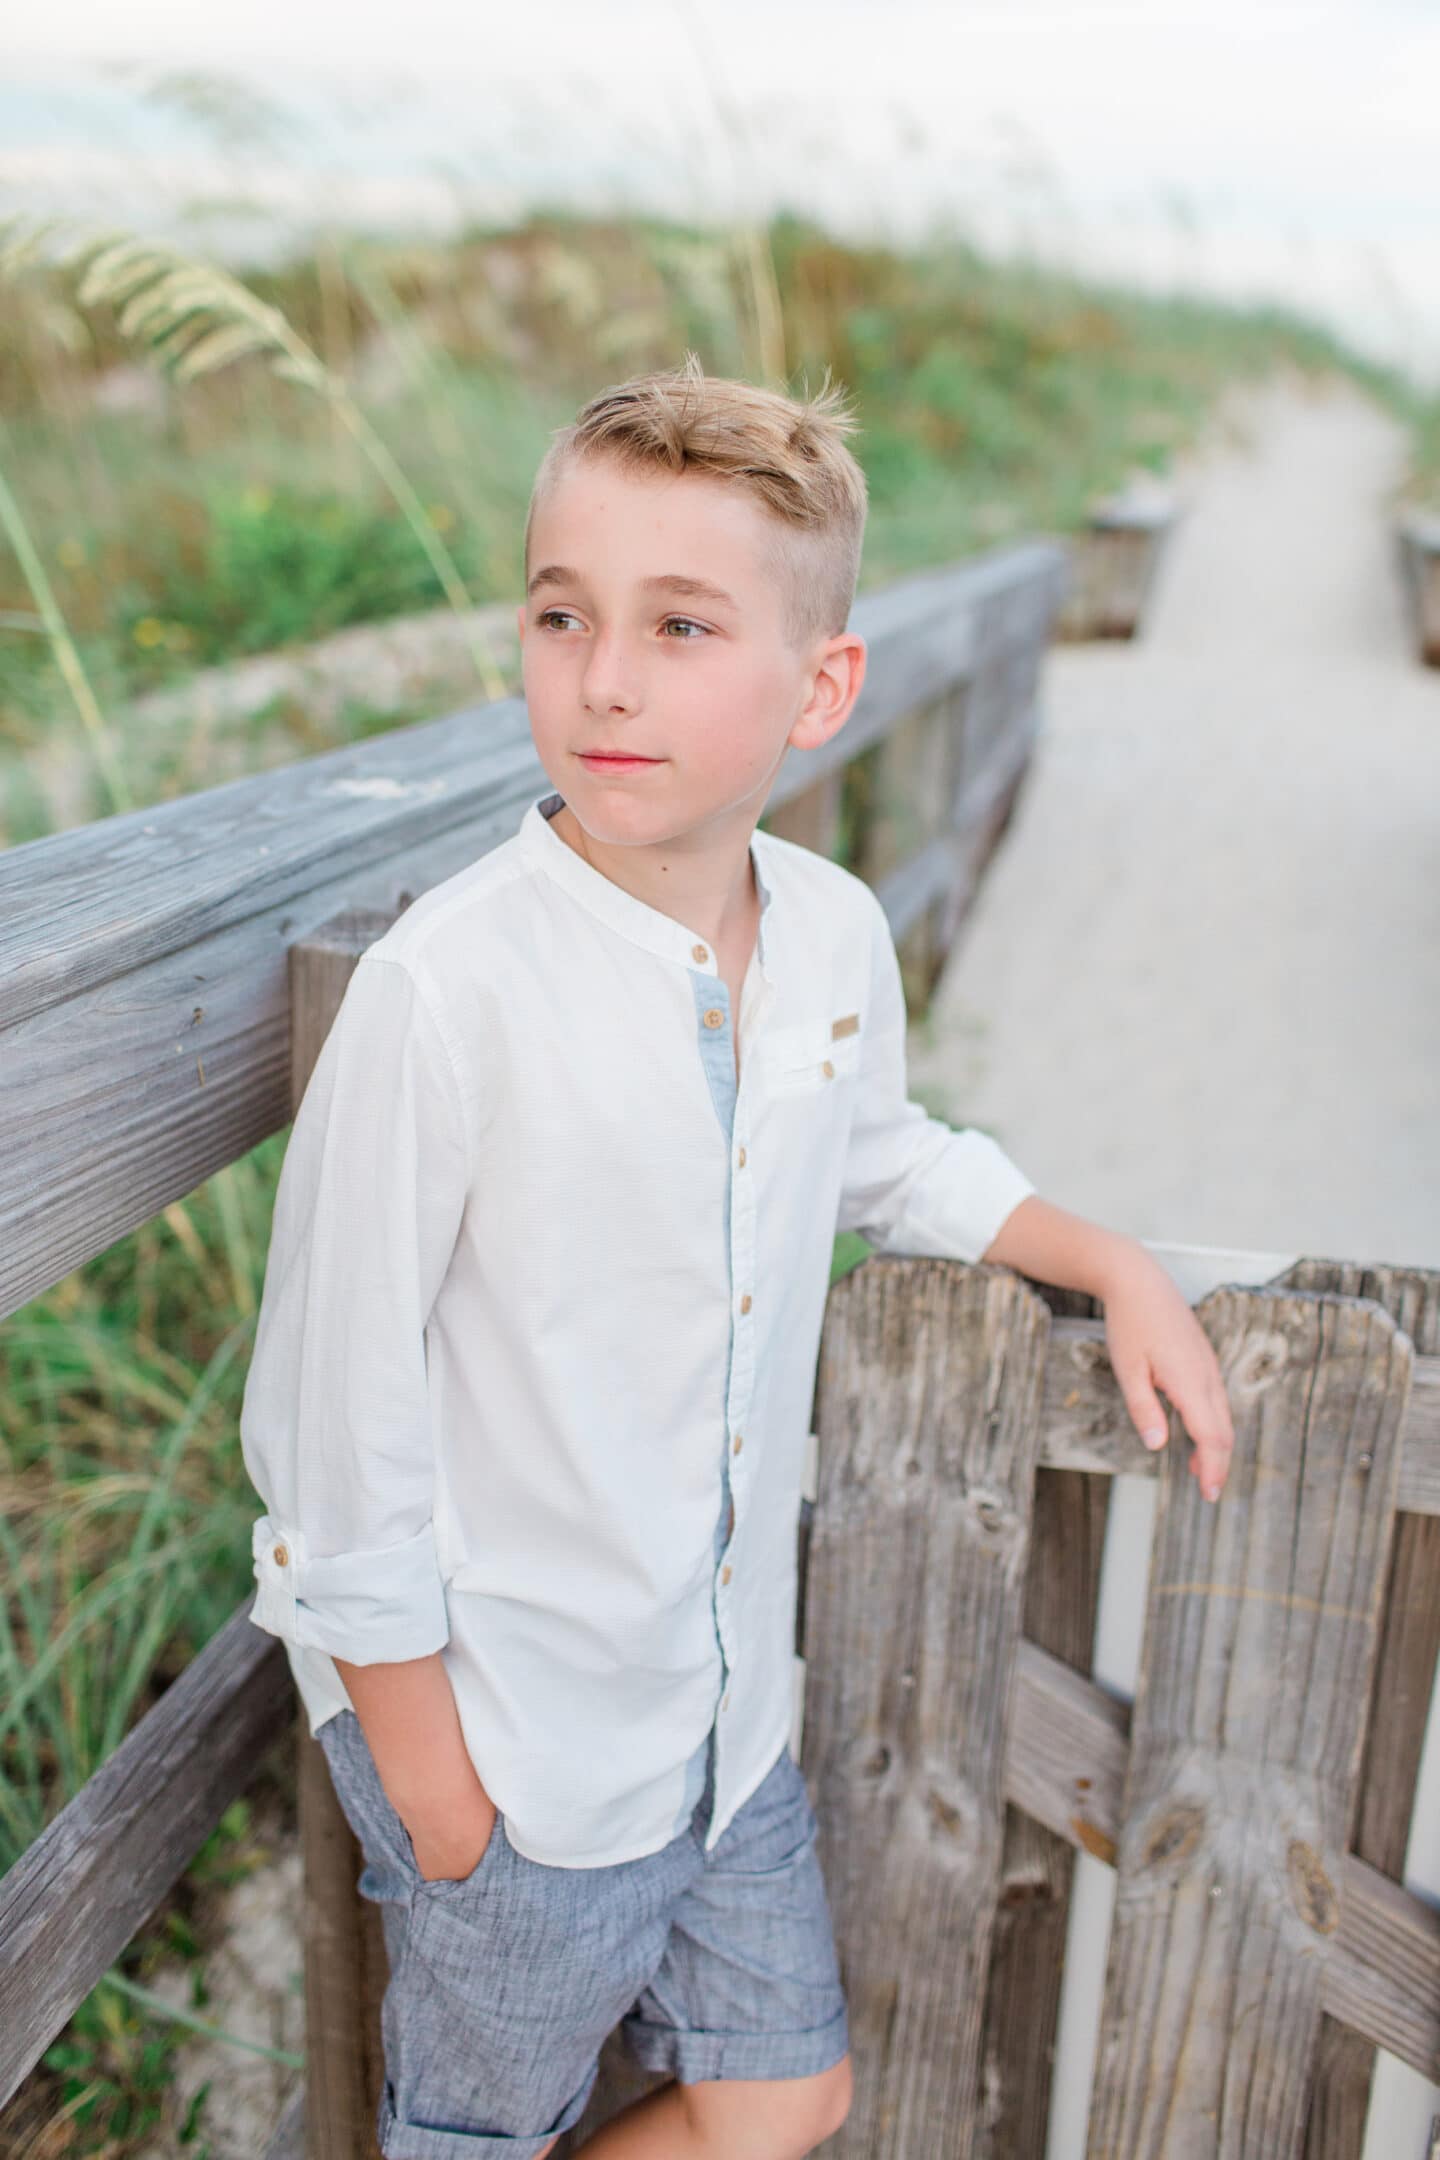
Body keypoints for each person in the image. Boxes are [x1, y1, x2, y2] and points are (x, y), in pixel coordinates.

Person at [240, 352, 1235, 2160]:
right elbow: (330, 1427)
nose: (604, 677)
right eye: (563, 613)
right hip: (515, 1748)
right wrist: (437, 1791)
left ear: (819, 687)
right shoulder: (448, 995)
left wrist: (1109, 1257)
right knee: (475, 2131)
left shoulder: (838, 939)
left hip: (721, 1729)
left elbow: (887, 1161)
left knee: (785, 2095)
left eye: (683, 627)